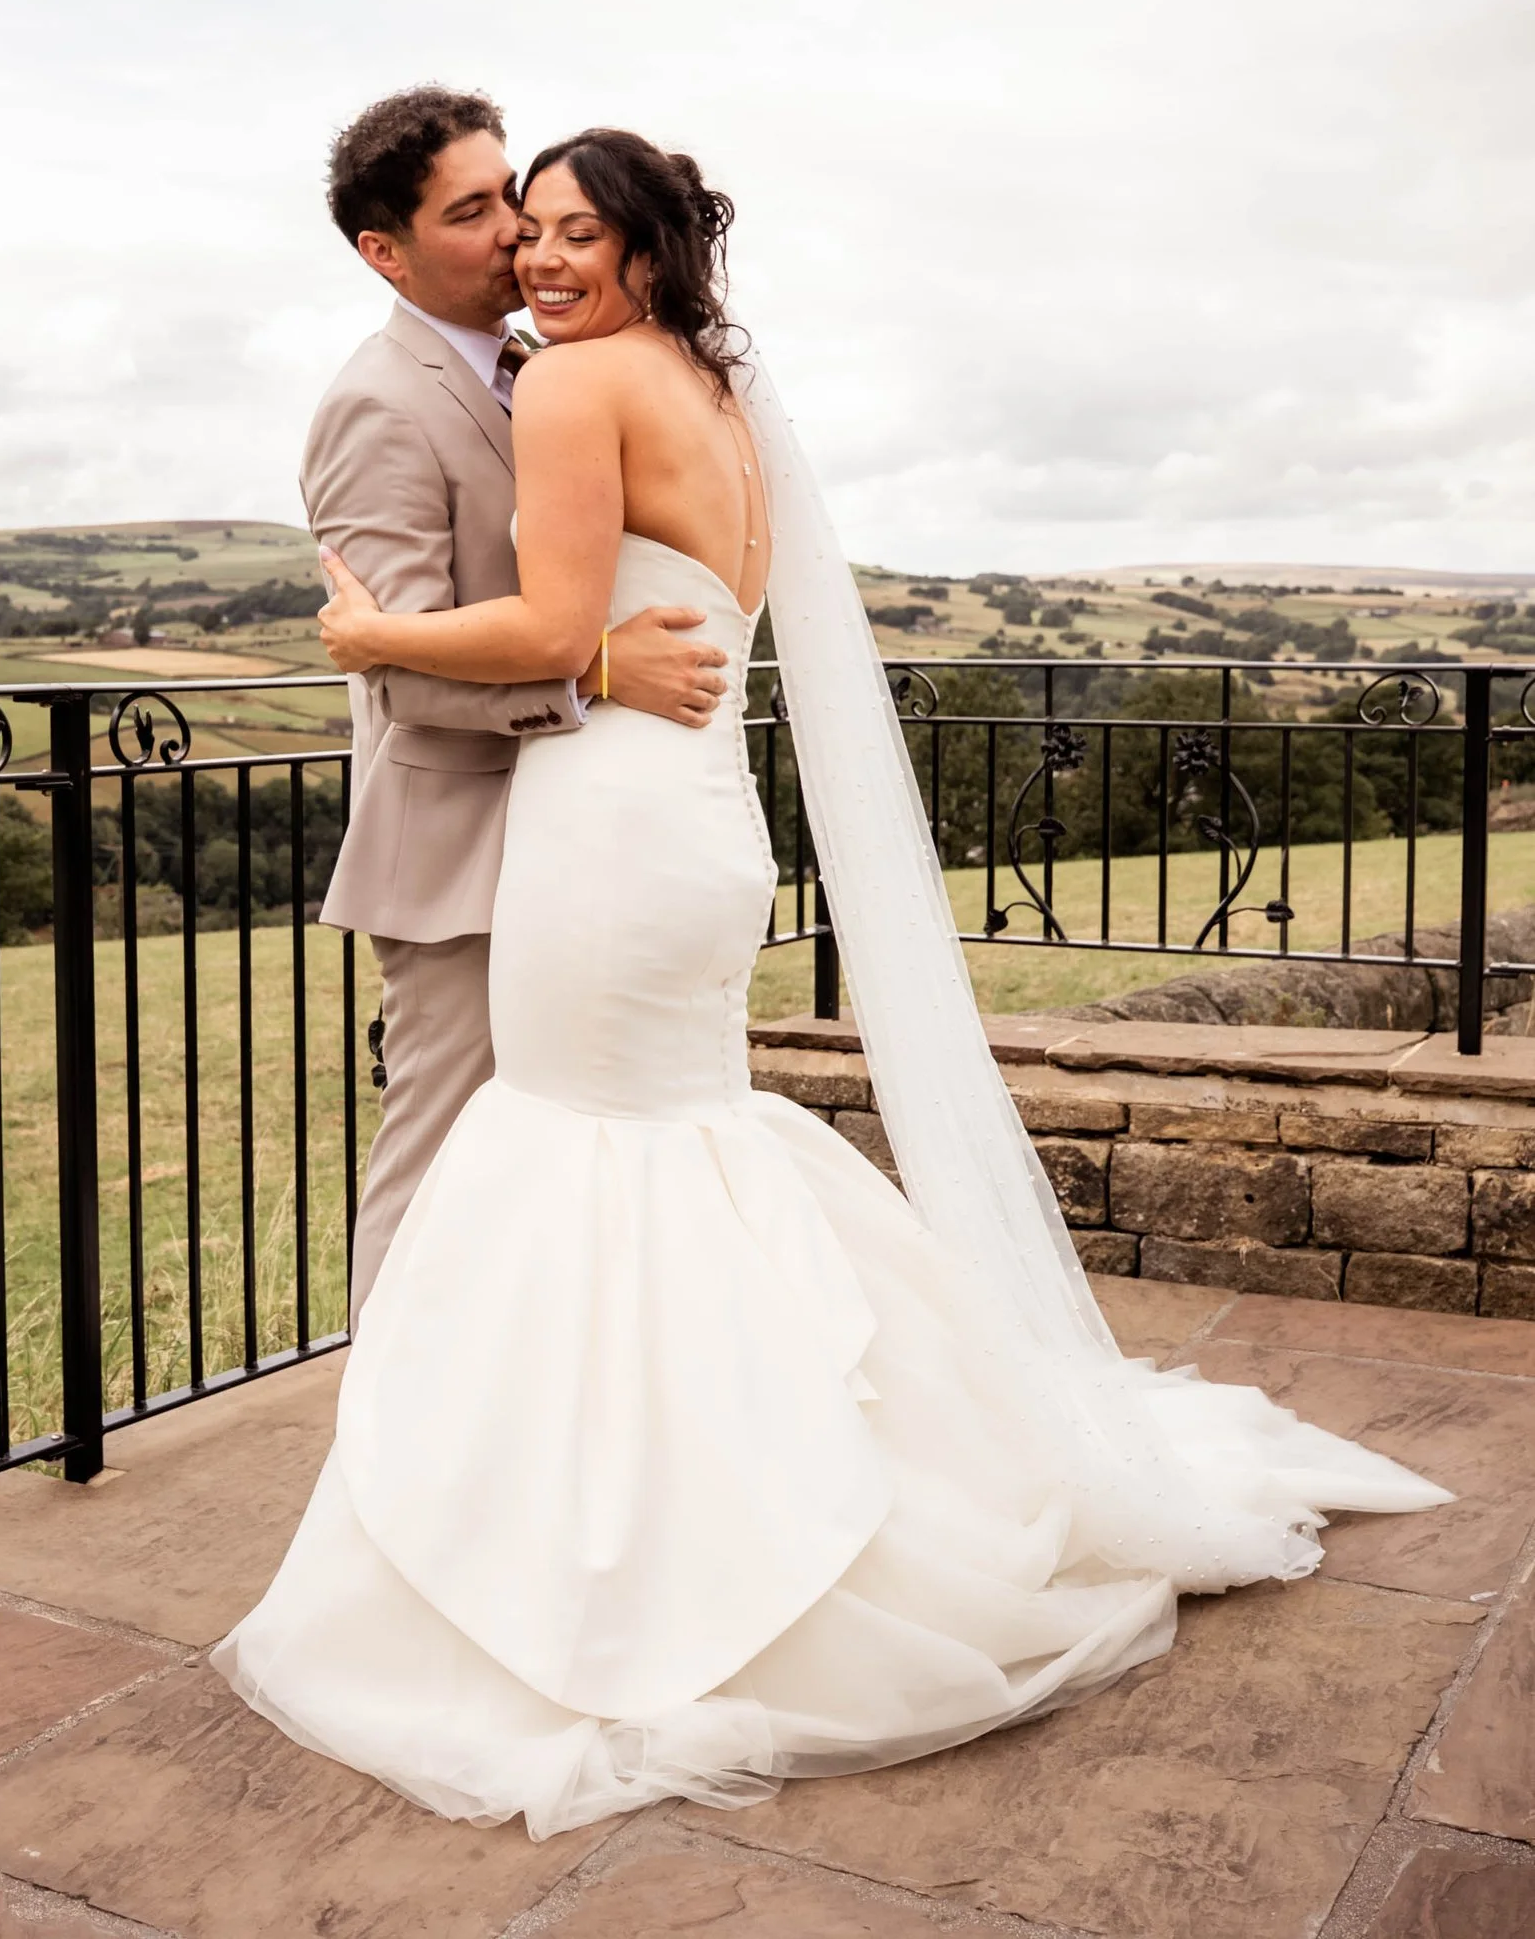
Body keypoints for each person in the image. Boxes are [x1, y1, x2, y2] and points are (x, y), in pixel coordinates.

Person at [214, 122, 1446, 1837]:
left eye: (569, 227)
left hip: (608, 829)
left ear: (648, 248)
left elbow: (542, 616)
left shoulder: (574, 386)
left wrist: (367, 639)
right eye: (515, 222)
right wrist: (587, 648)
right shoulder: (717, 391)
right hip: (696, 825)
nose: (535, 253)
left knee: (589, 1153)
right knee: (666, 1151)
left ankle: (597, 1538)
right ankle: (685, 1487)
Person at [303, 89, 731, 1321]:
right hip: (457, 851)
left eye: (515, 199)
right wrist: (594, 666)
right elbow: (394, 659)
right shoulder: (376, 403)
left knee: (551, 1173)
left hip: (582, 838)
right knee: (439, 1158)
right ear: (384, 251)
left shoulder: (551, 367)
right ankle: (382, 1452)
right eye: (475, 210)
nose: (513, 236)